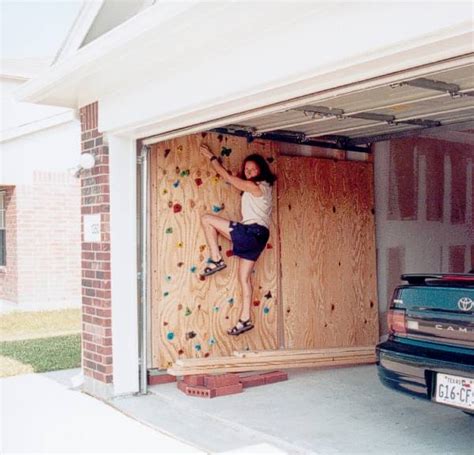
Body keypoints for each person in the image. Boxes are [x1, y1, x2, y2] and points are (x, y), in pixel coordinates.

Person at [199, 143, 276, 336]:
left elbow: (226, 177)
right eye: (246, 169)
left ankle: (216, 259)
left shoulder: (253, 186)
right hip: (259, 237)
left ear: (260, 170)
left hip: (252, 232)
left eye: (253, 169)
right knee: (243, 278)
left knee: (207, 219)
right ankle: (245, 319)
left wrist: (211, 158)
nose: (249, 171)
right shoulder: (266, 188)